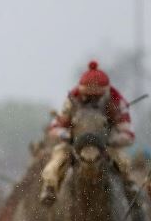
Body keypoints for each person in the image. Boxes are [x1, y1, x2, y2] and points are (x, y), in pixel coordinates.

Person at [40, 60, 134, 205]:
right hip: (74, 143)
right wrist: (66, 135)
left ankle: (130, 193)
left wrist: (111, 140)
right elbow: (55, 128)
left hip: (107, 145)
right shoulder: (72, 100)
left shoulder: (116, 101)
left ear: (105, 92)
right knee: (55, 163)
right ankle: (50, 190)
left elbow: (128, 134)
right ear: (82, 92)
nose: (93, 101)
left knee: (124, 163)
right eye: (88, 96)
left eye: (97, 97)